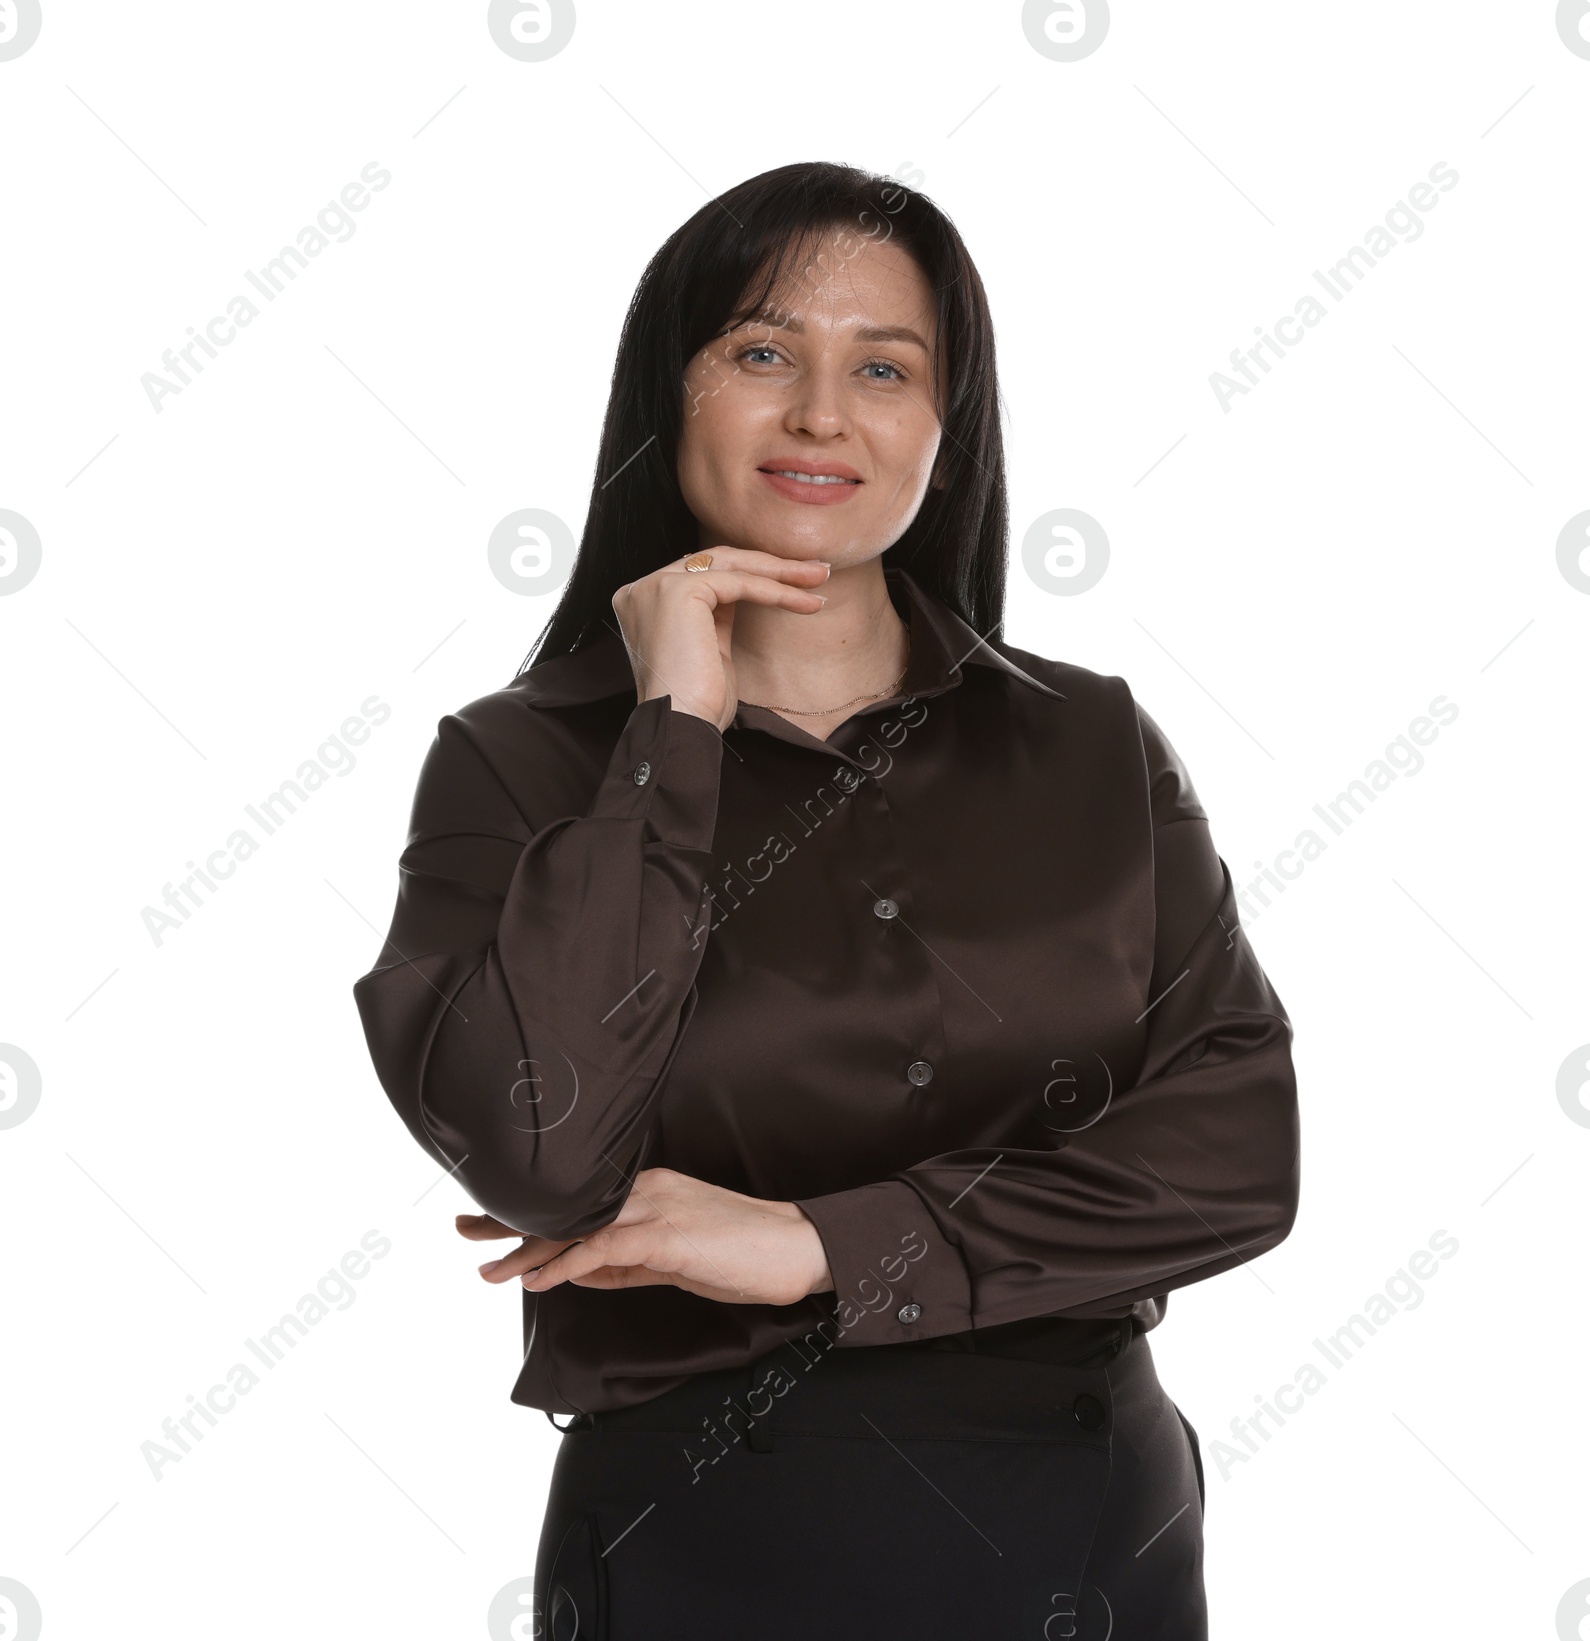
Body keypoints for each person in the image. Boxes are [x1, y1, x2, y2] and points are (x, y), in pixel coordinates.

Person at [352, 160, 1299, 1640]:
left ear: (943, 422)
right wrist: (670, 727)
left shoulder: (1090, 743)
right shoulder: (517, 762)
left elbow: (1235, 1151)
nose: (820, 413)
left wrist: (813, 1240)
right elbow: (540, 1145)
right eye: (760, 352)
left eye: (883, 366)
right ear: (674, 390)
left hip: (1084, 1536)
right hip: (715, 1536)